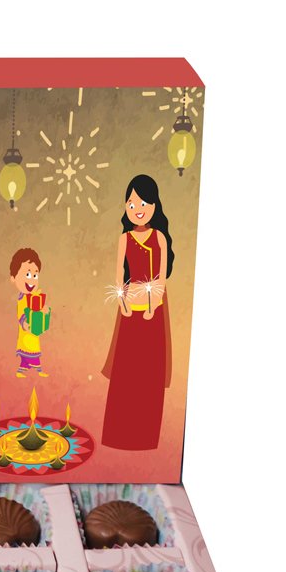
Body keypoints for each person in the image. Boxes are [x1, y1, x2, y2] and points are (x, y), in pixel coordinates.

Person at [100, 174, 174, 450]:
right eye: (131, 203)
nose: (137, 209)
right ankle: (118, 435)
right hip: (130, 312)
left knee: (148, 376)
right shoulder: (125, 239)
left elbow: (161, 275)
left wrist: (153, 307)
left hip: (153, 312)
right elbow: (119, 274)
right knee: (125, 376)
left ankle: (145, 436)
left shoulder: (159, 238)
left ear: (154, 205)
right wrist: (123, 304)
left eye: (142, 203)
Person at [9, 247, 51, 378]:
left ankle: (37, 370)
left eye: (35, 275)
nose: (31, 279)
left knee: (35, 353)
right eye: (27, 274)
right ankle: (22, 370)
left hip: (34, 333)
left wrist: (44, 311)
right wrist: (24, 324)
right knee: (26, 356)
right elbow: (21, 314)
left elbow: (39, 309)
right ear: (13, 278)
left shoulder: (35, 296)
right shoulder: (22, 299)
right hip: (26, 333)